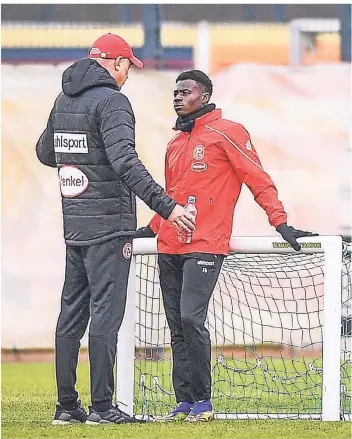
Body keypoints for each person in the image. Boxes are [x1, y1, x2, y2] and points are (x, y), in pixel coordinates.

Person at [136, 70, 318, 422]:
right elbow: (171, 196)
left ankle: (203, 403)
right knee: (176, 326)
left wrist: (279, 221)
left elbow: (257, 178)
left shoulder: (228, 132)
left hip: (206, 244)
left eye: (185, 91)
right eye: (175, 91)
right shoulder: (175, 143)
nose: (177, 96)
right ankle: (184, 403)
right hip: (170, 245)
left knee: (191, 318)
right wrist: (152, 227)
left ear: (203, 96)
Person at [35, 34, 195, 426]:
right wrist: (167, 206)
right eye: (128, 67)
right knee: (106, 316)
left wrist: (81, 164)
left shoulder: (64, 99)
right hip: (108, 227)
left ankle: (67, 407)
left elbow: (45, 152)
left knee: (70, 316)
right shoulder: (113, 101)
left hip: (74, 224)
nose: (128, 75)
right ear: (116, 63)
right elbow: (125, 162)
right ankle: (103, 408)